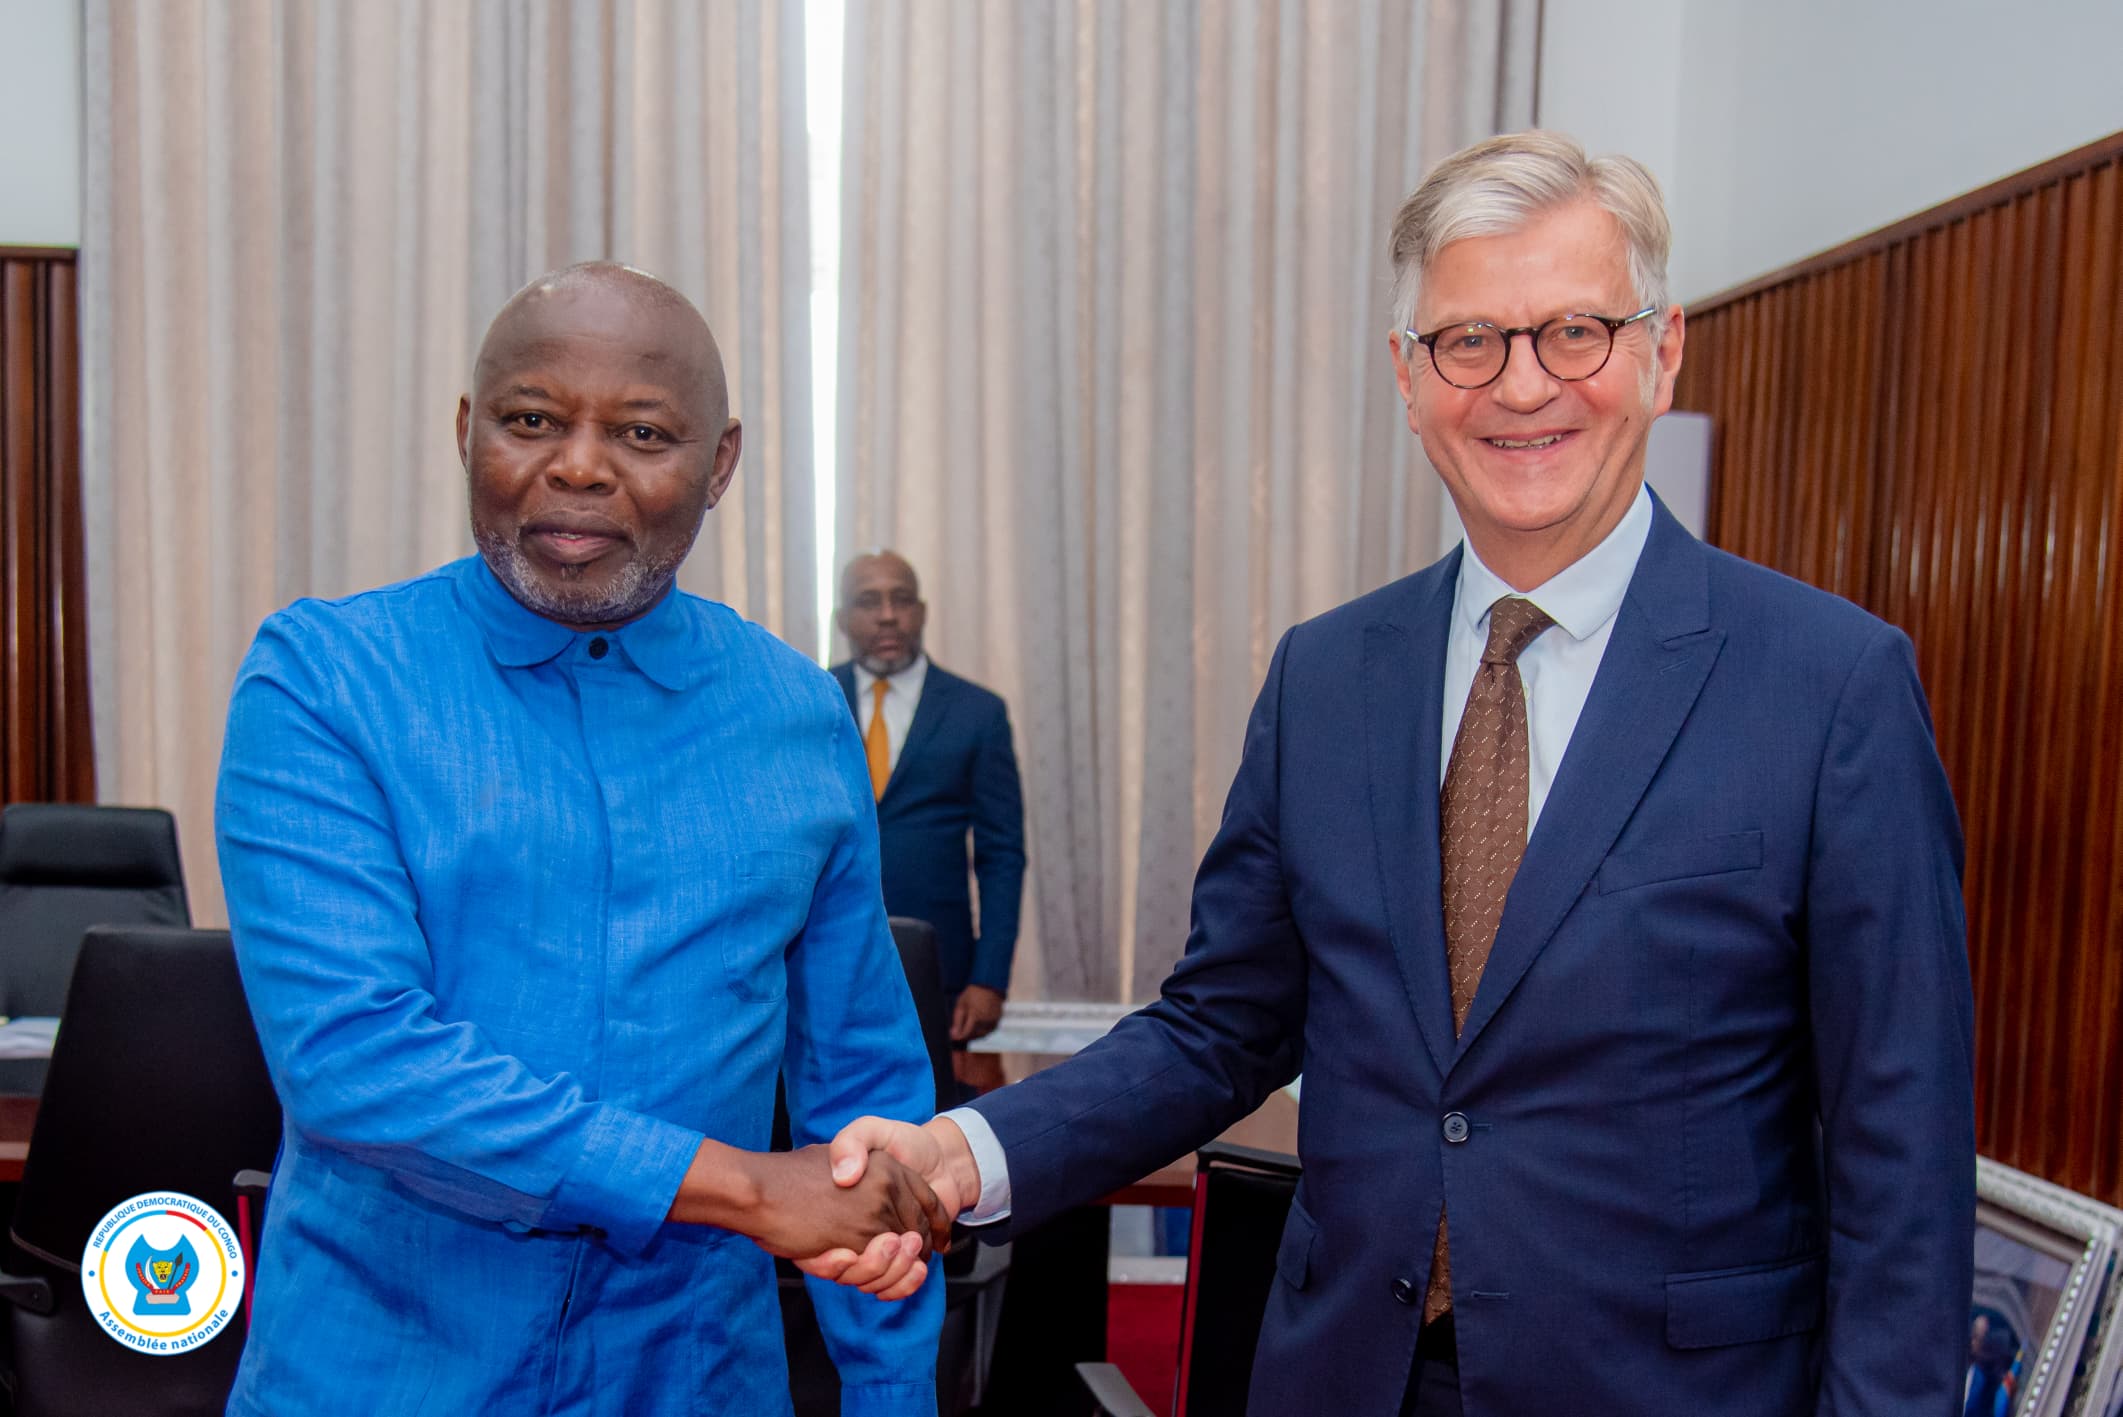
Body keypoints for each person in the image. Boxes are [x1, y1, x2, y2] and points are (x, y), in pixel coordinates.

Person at [822, 132, 1977, 1414]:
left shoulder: (1829, 686)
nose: (1520, 385)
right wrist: (955, 1151)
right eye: (1467, 340)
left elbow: (1899, 1155)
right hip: (1346, 1379)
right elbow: (1220, 1025)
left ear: (1662, 351)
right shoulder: (1324, 676)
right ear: (1407, 376)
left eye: (1574, 331)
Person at [216, 263, 950, 1416]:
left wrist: (891, 1385)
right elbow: (355, 1059)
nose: (577, 464)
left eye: (643, 431)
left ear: (719, 465)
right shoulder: (325, 679)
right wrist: (746, 1190)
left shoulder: (797, 717)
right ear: (468, 434)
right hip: (384, 1372)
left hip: (696, 1375)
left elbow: (859, 1082)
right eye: (530, 419)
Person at [830, 551, 1026, 1048]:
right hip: (827, 957)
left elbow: (1002, 854)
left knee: (934, 1117)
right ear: (842, 620)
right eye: (869, 601)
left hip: (939, 967)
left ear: (922, 612)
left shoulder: (977, 713)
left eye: (902, 599)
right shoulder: (812, 701)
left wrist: (989, 978)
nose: (888, 614)